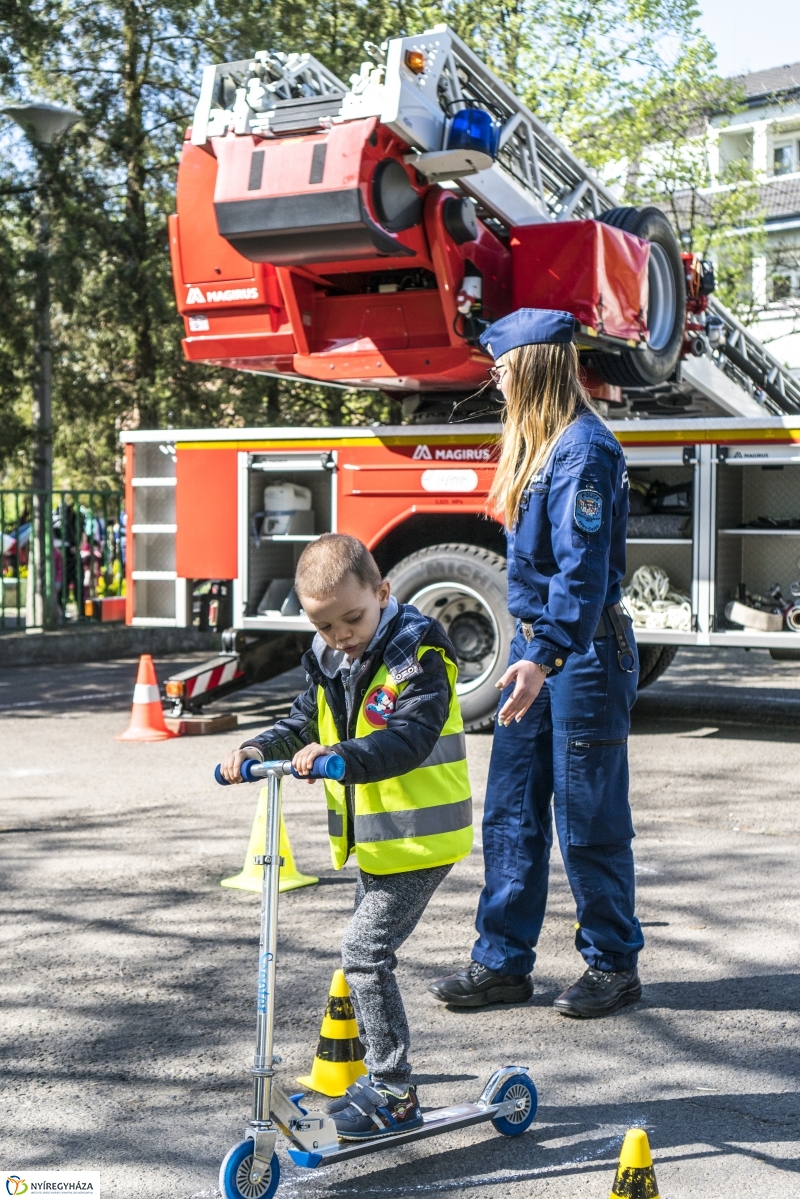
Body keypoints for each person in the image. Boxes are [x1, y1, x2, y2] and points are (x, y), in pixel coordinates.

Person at [428, 308, 644, 1019]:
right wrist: (532, 650)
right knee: (512, 810)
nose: (493, 377)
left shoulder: (585, 450)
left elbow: (581, 576)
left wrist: (544, 654)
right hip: (538, 647)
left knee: (588, 815)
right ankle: (502, 962)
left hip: (577, 653)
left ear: (530, 368)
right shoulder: (545, 445)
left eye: (500, 366)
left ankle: (613, 963)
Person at [219, 533, 473, 1138]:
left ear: (383, 593)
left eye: (352, 618)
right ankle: (384, 1077)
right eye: (324, 625)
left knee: (363, 953)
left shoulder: (418, 653)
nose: (341, 635)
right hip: (381, 843)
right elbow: (302, 719)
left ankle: (395, 1090)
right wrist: (258, 749)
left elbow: (409, 735)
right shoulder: (330, 656)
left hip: (422, 839)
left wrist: (340, 756)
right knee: (365, 955)